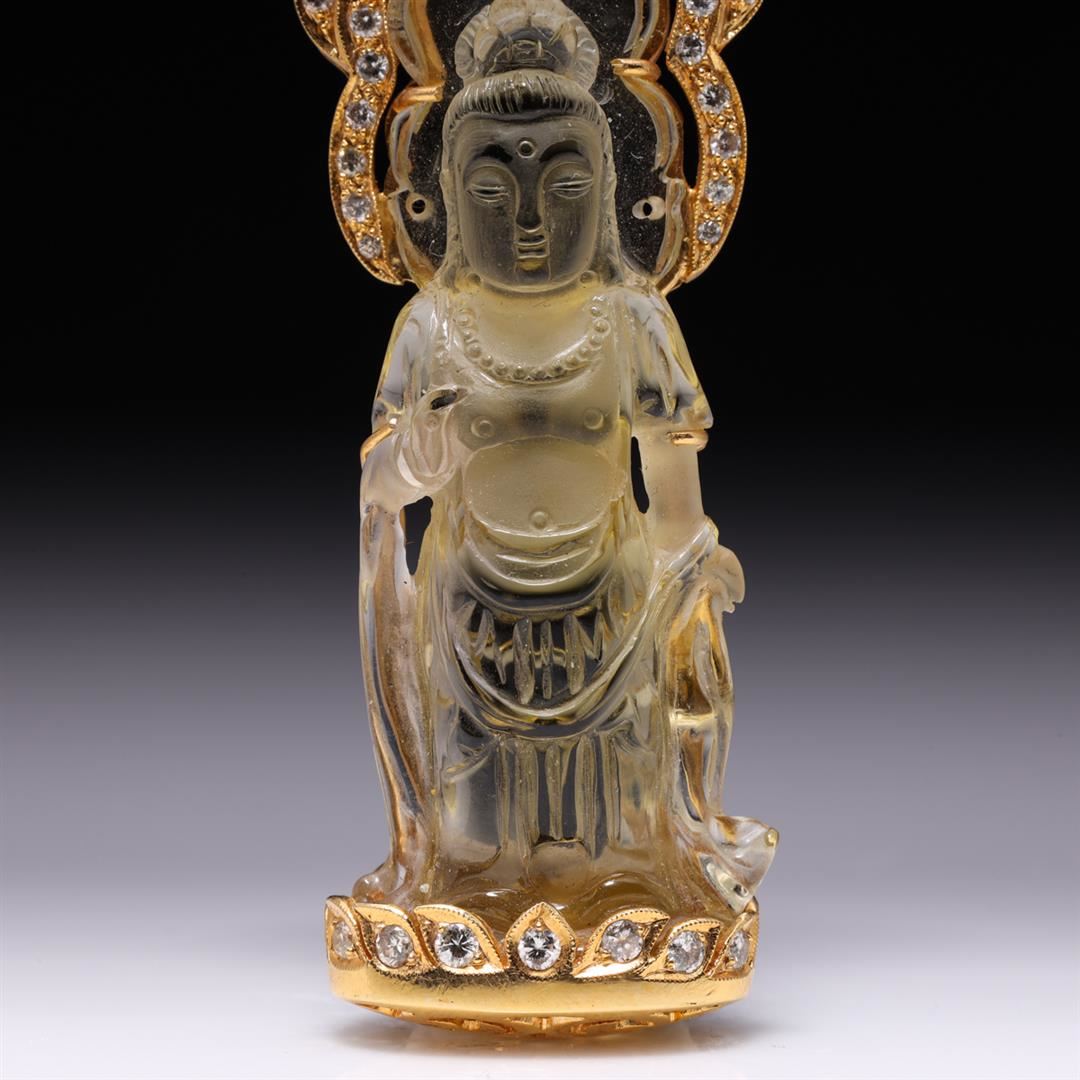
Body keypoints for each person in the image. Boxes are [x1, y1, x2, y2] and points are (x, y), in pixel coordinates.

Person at [353, 0, 775, 932]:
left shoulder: (634, 320)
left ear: (613, 186)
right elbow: (380, 491)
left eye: (568, 183)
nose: (531, 219)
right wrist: (410, 468)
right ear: (447, 196)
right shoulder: (431, 324)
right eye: (491, 191)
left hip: (613, 612)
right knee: (478, 848)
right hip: (470, 617)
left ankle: (625, 895)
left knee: (617, 844)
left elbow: (674, 502)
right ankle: (472, 898)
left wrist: (689, 585)